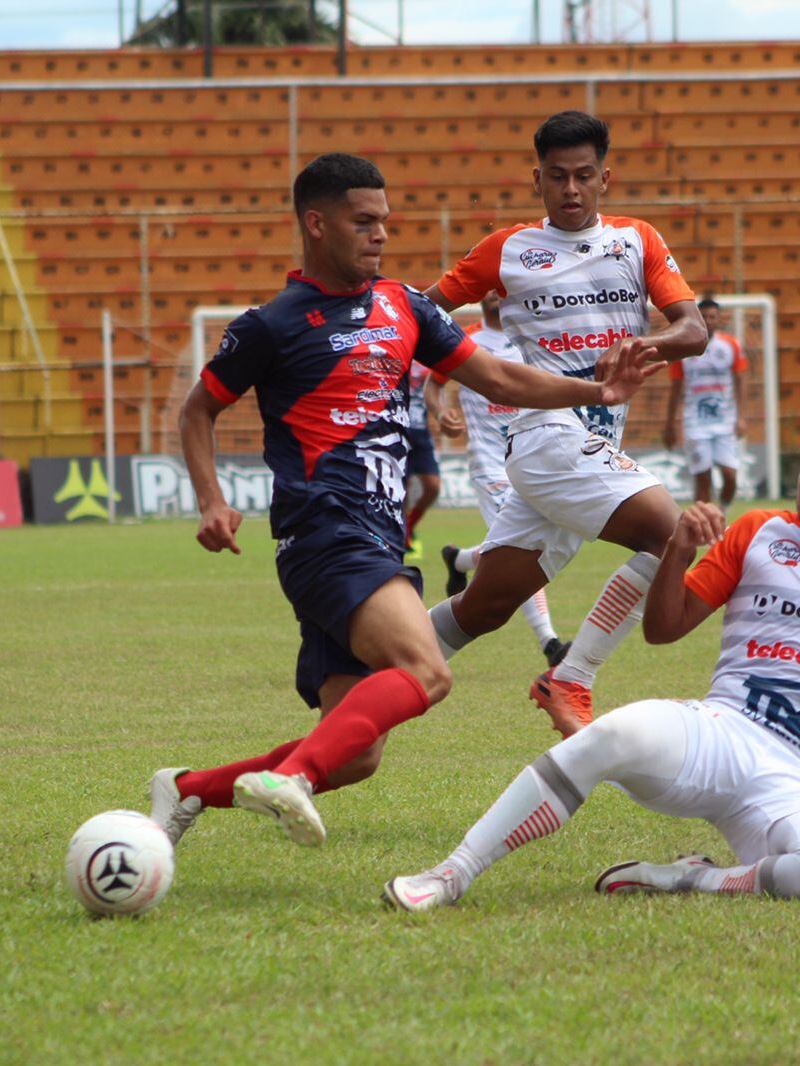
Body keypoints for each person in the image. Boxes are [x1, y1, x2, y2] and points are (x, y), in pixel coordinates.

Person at [149, 153, 660, 849]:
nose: (380, 235)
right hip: (327, 530)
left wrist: (597, 392)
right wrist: (211, 500)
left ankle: (184, 789)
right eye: (363, 222)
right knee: (425, 670)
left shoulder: (403, 307)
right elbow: (196, 412)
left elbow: (500, 379)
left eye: (384, 222)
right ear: (316, 224)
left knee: (354, 755)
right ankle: (291, 778)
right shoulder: (271, 325)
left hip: (374, 538)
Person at [382, 410, 800, 911]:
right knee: (614, 733)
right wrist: (678, 551)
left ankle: (694, 879)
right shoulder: (758, 534)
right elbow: (665, 630)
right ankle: (449, 876)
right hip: (722, 735)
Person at [422, 110, 712, 738]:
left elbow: (694, 330)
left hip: (592, 446)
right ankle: (571, 677)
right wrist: (426, 379)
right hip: (547, 437)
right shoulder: (508, 249)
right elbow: (422, 312)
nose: (572, 190)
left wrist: (643, 347)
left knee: (486, 606)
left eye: (584, 176)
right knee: (670, 532)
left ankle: (377, 662)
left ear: (606, 177)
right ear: (538, 180)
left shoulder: (637, 240)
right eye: (558, 177)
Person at [426, 293, 570, 668]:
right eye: (487, 287)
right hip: (491, 464)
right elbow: (433, 385)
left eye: (500, 286)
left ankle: (458, 560)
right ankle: (550, 643)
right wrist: (441, 413)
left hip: (534, 461)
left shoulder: (531, 338)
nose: (494, 293)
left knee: (514, 547)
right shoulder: (464, 340)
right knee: (521, 552)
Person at [662, 297, 749, 507]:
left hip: (725, 421)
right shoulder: (685, 348)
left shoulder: (730, 345)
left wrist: (742, 417)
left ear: (719, 320)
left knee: (730, 475)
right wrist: (670, 424)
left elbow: (740, 382)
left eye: (713, 317)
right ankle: (703, 527)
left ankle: (721, 512)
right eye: (705, 317)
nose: (709, 321)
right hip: (695, 422)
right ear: (698, 319)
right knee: (703, 478)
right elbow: (676, 389)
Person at [401, 359, 441, 560]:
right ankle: (402, 537)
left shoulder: (427, 357)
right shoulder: (398, 354)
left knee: (433, 486)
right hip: (399, 431)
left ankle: (407, 527)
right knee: (402, 489)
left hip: (422, 434)